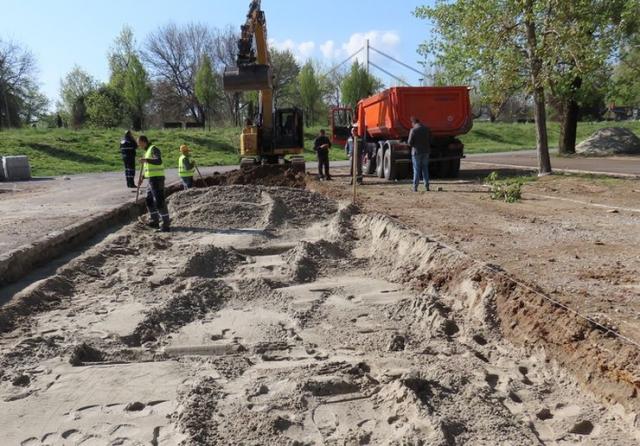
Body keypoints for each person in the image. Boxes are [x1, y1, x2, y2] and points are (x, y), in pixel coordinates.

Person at [138, 135, 170, 232]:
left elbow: (158, 161)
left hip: (157, 179)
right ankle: (154, 220)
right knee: (149, 200)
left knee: (159, 202)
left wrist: (146, 160)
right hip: (151, 179)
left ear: (144, 142)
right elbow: (148, 168)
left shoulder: (154, 149)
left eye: (139, 143)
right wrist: (143, 177)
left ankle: (165, 225)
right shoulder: (147, 152)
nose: (139, 146)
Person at [408, 116, 431, 192]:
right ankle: (427, 186)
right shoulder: (426, 129)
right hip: (426, 151)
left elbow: (410, 142)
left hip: (416, 152)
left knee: (416, 169)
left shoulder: (413, 130)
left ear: (413, 122)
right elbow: (431, 139)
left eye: (411, 123)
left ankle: (415, 187)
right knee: (425, 168)